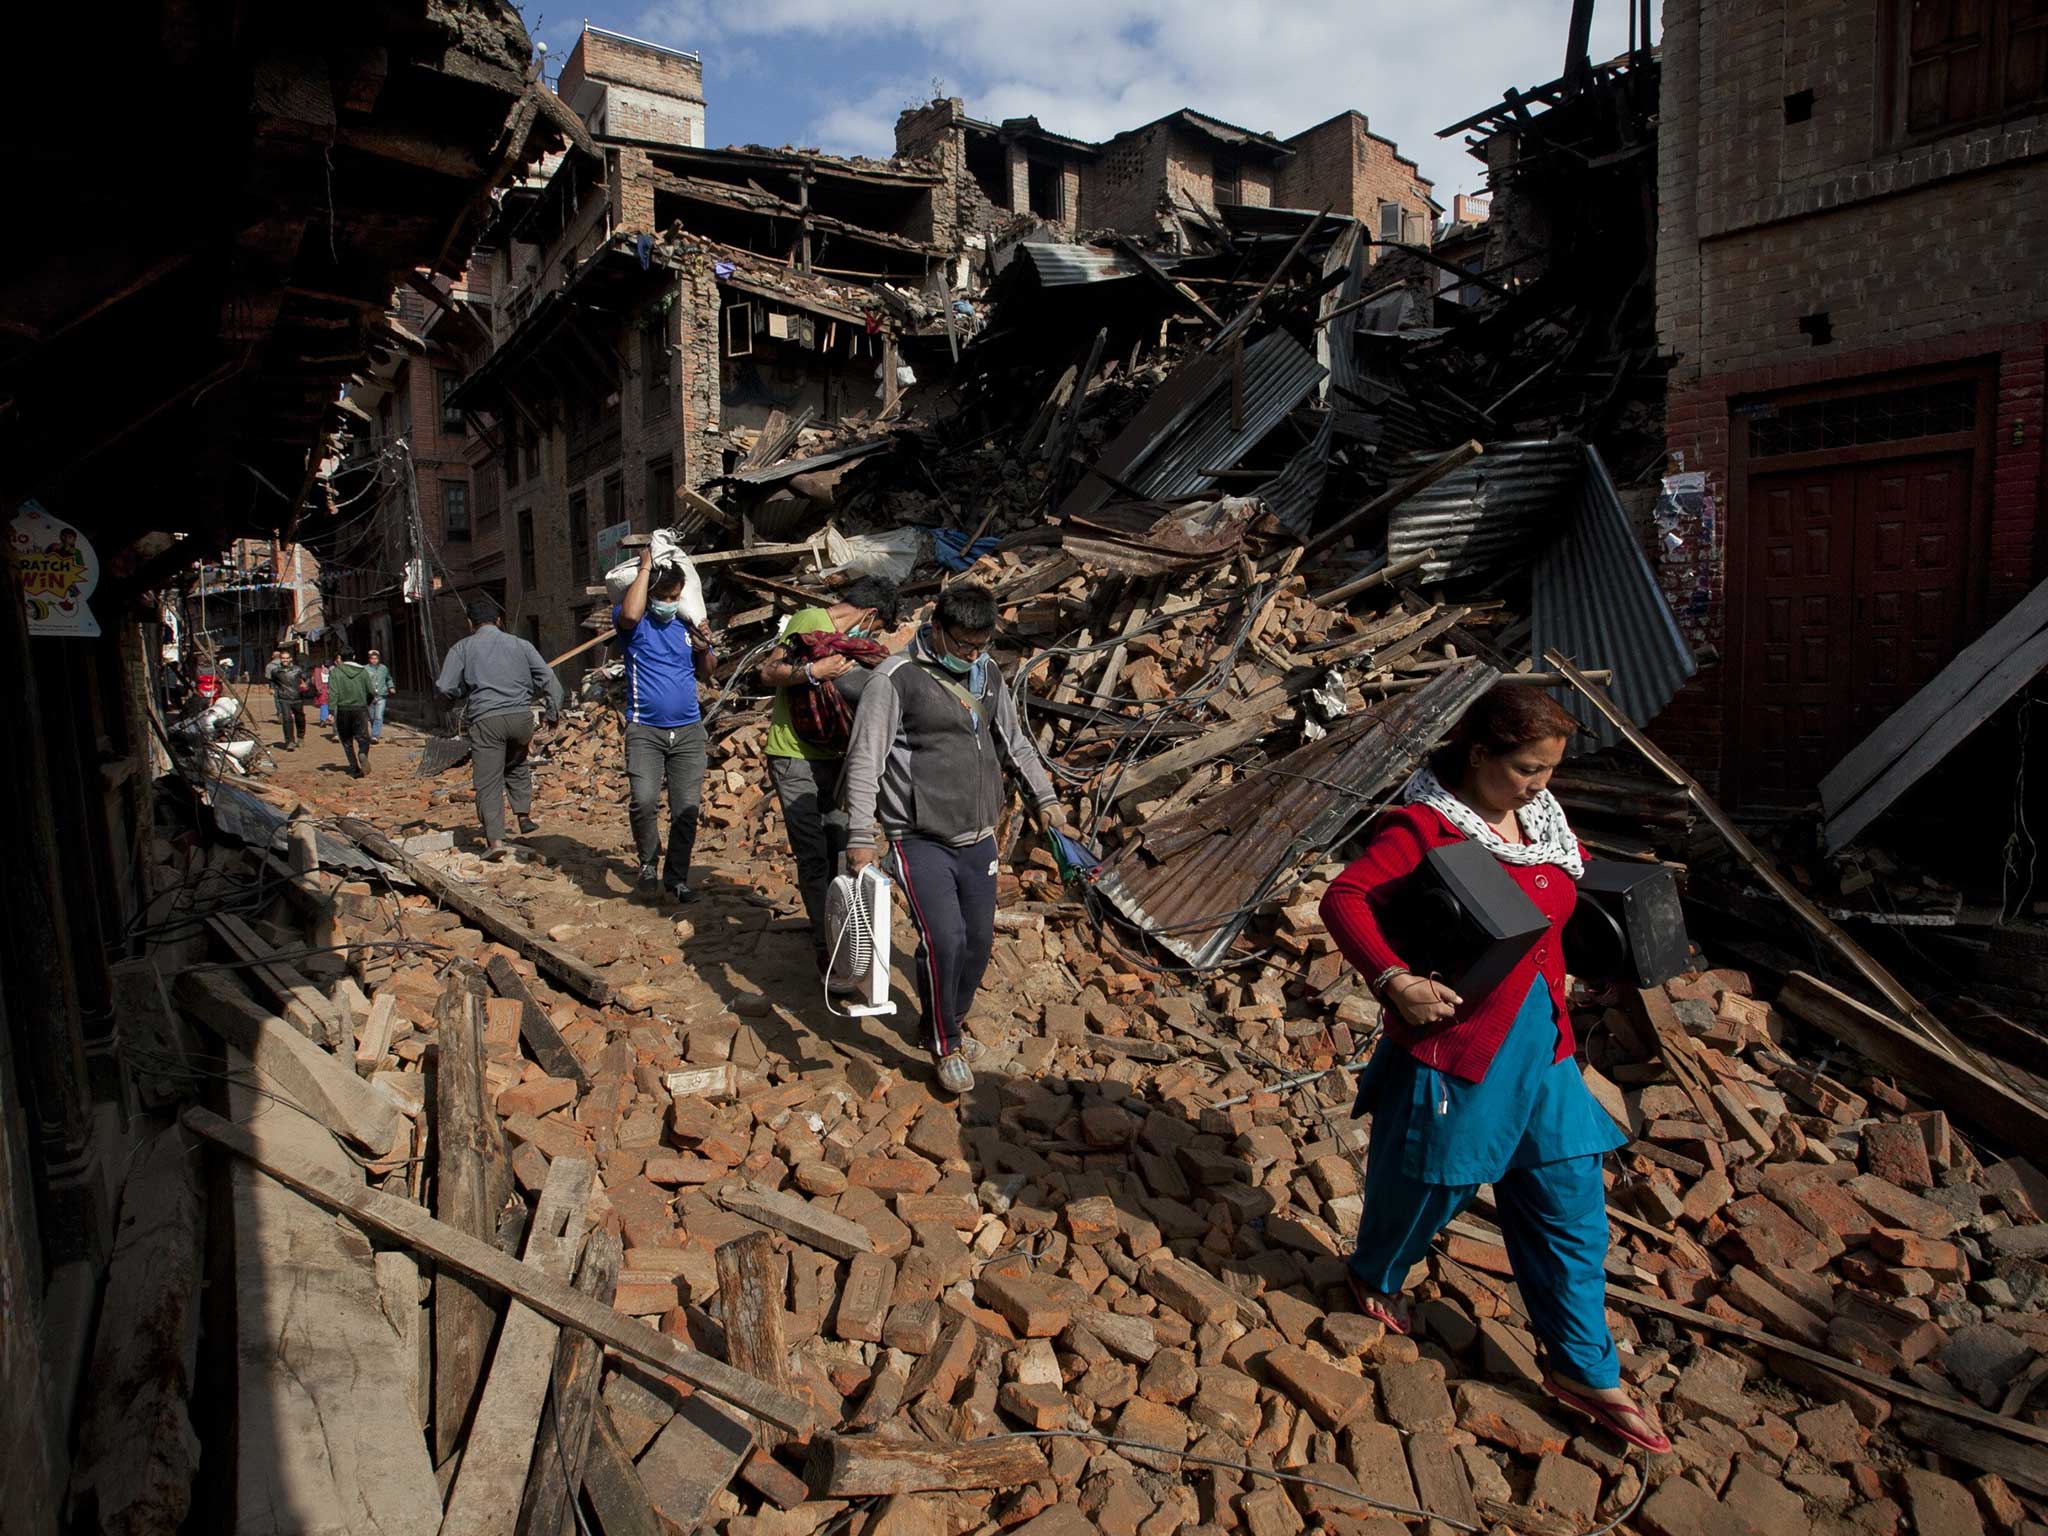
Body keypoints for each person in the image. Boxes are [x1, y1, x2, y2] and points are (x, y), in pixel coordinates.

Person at [1318, 684, 1670, 1455]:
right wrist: (1395, 980)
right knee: (1429, 1185)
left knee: (1571, 1202)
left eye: (1549, 770)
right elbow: (1345, 899)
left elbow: (1562, 903)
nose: (1540, 785)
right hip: (1462, 1046)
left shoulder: (1541, 822)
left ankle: (1583, 1367)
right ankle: (1376, 1273)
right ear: (1479, 755)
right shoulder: (1427, 826)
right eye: (1526, 769)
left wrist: (1593, 964)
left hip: (1543, 1045)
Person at [842, 581, 1071, 1094]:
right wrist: (860, 834)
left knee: (978, 942)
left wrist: (1046, 798)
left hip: (979, 835)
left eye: (981, 645)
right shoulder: (894, 680)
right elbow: (865, 760)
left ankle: (945, 1016)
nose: (972, 655)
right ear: (938, 629)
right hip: (917, 836)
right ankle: (946, 1043)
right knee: (944, 939)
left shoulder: (987, 673)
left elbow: (1015, 741)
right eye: (964, 645)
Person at [755, 577, 902, 981]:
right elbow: (769, 672)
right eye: (874, 628)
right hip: (794, 756)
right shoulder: (811, 618)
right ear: (871, 615)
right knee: (813, 853)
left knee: (842, 845)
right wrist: (814, 670)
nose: (869, 636)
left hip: (835, 759)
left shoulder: (853, 645)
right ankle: (828, 947)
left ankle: (849, 932)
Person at [617, 548, 717, 902]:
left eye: (676, 597)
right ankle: (647, 862)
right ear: (651, 595)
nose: (671, 604)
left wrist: (705, 648)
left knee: (686, 810)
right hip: (645, 731)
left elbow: (707, 673)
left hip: (689, 731)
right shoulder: (635, 624)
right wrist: (646, 565)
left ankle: (676, 878)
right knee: (643, 801)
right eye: (665, 597)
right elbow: (630, 612)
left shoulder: (685, 626)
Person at [435, 597, 564, 858]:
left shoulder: (462, 648)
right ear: (498, 620)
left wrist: (460, 693)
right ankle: (523, 815)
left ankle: (495, 842)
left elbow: (446, 687)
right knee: (516, 764)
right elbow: (549, 679)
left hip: (486, 720)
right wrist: (552, 712)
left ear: (470, 623)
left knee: (489, 780)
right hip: (521, 718)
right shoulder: (521, 644)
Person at [327, 648, 375, 777]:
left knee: (347, 741)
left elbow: (333, 693)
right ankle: (362, 753)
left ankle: (354, 767)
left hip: (343, 710)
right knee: (363, 738)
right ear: (353, 656)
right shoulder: (363, 671)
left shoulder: (335, 672)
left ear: (340, 658)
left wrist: (331, 710)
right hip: (360, 709)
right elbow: (371, 691)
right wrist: (367, 702)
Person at [264, 648, 307, 750]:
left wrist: (304, 684)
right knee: (287, 719)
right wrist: (271, 688)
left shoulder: (297, 669)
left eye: (287, 658)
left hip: (297, 697)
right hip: (284, 698)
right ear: (280, 659)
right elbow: (272, 681)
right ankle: (289, 742)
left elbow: (305, 678)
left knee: (300, 718)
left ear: (291, 659)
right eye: (283, 658)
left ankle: (300, 737)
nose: (285, 660)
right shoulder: (276, 671)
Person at [365, 649, 393, 741]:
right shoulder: (365, 669)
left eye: (376, 658)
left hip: (381, 695)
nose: (374, 660)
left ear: (378, 659)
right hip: (369, 696)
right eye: (372, 658)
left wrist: (391, 687)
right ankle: (374, 732)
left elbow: (388, 678)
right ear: (369, 659)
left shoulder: (384, 668)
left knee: (378, 716)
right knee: (372, 717)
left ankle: (375, 735)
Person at [313, 661, 330, 728]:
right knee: (325, 705)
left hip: (324, 689)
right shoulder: (331, 671)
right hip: (325, 689)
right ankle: (324, 719)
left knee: (324, 705)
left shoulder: (317, 671)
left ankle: (323, 720)